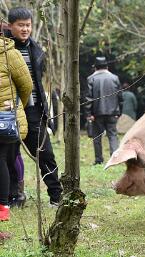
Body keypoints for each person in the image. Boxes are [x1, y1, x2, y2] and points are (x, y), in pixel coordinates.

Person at [6, 7, 63, 206]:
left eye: (28, 25)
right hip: (8, 111)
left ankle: (56, 196)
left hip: (33, 110)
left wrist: (44, 109)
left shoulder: (36, 49)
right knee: (9, 157)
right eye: (20, 25)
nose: (25, 29)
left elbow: (39, 83)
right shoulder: (4, 49)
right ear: (10, 26)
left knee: (45, 153)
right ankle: (13, 198)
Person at [0, 32, 33, 220]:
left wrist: (17, 105)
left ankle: (5, 205)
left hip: (6, 120)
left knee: (4, 158)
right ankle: (6, 203)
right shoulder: (11, 53)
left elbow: (26, 86)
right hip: (8, 117)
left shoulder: (9, 53)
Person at [85, 56, 123, 165]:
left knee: (97, 137)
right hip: (112, 112)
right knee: (112, 135)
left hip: (96, 114)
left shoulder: (91, 79)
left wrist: (88, 114)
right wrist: (119, 111)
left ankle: (99, 160)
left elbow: (88, 98)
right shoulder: (114, 78)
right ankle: (115, 159)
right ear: (107, 66)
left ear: (95, 67)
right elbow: (120, 96)